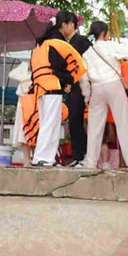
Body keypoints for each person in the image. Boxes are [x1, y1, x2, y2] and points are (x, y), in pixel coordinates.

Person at [80, 21, 128, 168]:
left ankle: (90, 162)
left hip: (96, 89)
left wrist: (87, 96)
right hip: (113, 85)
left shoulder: (87, 53)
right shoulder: (110, 46)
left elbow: (83, 78)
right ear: (104, 33)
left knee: (94, 127)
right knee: (124, 122)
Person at [29, 11, 86, 167]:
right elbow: (59, 66)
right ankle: (44, 158)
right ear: (64, 25)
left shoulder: (42, 45)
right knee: (51, 124)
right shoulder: (57, 44)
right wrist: (68, 81)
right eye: (72, 25)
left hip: (40, 88)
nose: (73, 29)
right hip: (52, 87)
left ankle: (42, 157)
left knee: (47, 123)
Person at [67, 20, 91, 167]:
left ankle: (85, 156)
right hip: (71, 86)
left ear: (71, 25)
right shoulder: (65, 42)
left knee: (81, 120)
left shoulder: (82, 41)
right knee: (73, 121)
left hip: (84, 85)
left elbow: (90, 62)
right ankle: (78, 156)